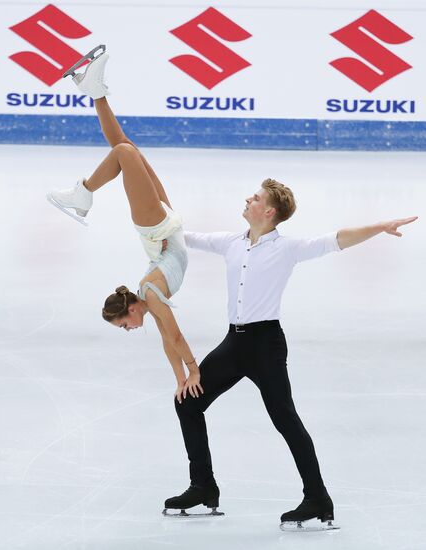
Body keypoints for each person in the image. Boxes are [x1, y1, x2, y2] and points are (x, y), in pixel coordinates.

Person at [163, 179, 417, 529]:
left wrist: (380, 226)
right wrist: (155, 228)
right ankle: (203, 486)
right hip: (234, 344)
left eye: (255, 197)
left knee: (285, 419)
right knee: (188, 403)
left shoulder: (287, 248)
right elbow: (185, 237)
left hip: (266, 345)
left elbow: (337, 239)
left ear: (269, 212)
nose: (248, 198)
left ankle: (317, 497)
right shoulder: (231, 242)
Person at [46, 47, 202, 403]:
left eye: (124, 325)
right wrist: (182, 377)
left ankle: (82, 195)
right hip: (166, 223)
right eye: (125, 328)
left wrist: (193, 369)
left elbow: (175, 339)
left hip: (157, 228)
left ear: (130, 310)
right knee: (124, 145)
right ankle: (96, 91)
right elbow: (169, 341)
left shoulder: (149, 293)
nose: (129, 329)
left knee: (124, 154)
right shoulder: (150, 299)